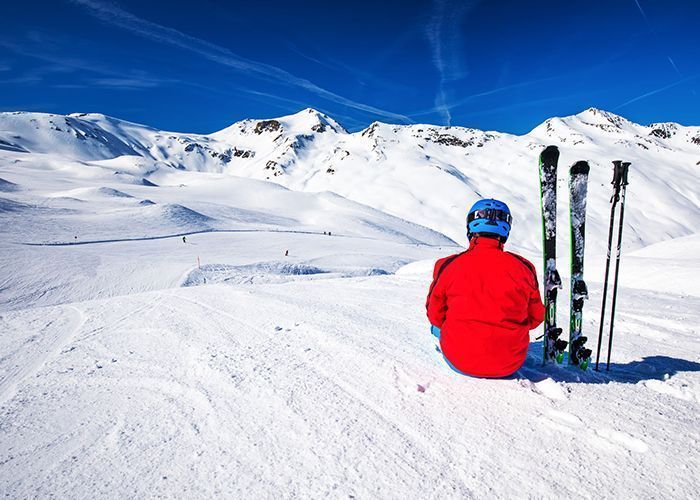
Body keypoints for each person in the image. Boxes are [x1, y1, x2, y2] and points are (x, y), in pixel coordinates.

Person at [425, 198, 545, 378]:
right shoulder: (524, 268)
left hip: (460, 362)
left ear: (471, 227)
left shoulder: (448, 265)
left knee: (435, 329)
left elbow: (435, 315)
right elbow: (536, 318)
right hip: (509, 364)